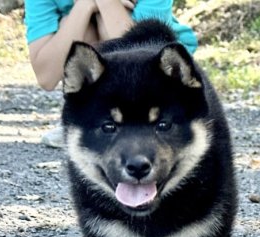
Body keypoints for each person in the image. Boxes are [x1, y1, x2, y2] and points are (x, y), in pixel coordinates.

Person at [25, 0, 198, 147]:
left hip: (157, 71)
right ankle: (89, 122)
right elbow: (46, 77)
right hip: (103, 57)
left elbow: (143, 49)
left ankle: (151, 120)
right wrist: (82, 7)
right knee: (79, 28)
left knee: (104, 19)